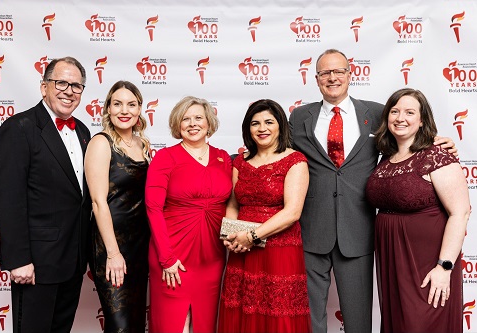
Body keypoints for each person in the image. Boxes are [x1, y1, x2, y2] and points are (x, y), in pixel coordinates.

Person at [289, 49, 457, 333]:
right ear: (316, 79)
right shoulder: (299, 116)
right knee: (308, 318)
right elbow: (277, 154)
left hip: (359, 230)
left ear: (350, 74)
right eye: (325, 73)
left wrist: (439, 141)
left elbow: (408, 133)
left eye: (339, 71)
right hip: (311, 229)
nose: (332, 78)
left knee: (359, 320)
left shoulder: (379, 113)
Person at [0, 57, 92, 333]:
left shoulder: (83, 131)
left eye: (76, 86)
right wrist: (18, 259)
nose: (69, 91)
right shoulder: (19, 128)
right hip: (35, 264)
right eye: (61, 82)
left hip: (72, 262)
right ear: (43, 87)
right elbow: (7, 199)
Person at [366, 88, 470, 333]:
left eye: (410, 112)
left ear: (422, 120)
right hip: (392, 261)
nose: (401, 118)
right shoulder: (385, 157)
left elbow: (461, 212)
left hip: (427, 263)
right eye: (395, 111)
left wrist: (444, 267)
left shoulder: (437, 155)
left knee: (423, 323)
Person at [217, 99, 311, 333]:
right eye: (255, 123)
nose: (262, 128)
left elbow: (292, 212)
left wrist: (252, 236)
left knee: (277, 313)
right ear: (247, 129)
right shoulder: (240, 162)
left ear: (280, 125)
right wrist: (230, 237)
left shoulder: (295, 161)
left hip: (279, 249)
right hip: (242, 250)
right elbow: (233, 205)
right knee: (241, 310)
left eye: (269, 122)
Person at [144, 96, 232, 333]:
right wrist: (167, 258)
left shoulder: (223, 158)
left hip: (212, 257)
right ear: (177, 124)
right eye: (185, 119)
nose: (192, 124)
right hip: (173, 254)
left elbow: (232, 206)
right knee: (175, 325)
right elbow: (153, 208)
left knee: (204, 323)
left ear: (208, 122)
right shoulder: (165, 157)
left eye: (198, 118)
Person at [85, 81, 151, 332]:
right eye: (118, 104)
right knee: (119, 325)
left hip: (140, 244)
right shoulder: (101, 143)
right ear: (108, 109)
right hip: (111, 244)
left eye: (131, 104)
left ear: (139, 110)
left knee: (134, 322)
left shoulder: (142, 144)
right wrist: (113, 253)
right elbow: (98, 202)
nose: (124, 110)